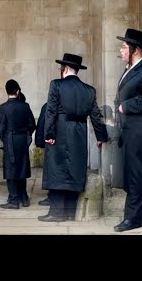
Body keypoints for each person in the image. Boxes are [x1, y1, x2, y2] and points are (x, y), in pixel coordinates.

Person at [39, 53, 108, 222]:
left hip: (60, 130)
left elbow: (51, 112)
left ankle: (56, 213)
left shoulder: (56, 85)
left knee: (57, 169)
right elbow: (96, 116)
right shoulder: (89, 90)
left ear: (66, 68)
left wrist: (48, 134)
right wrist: (101, 136)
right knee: (74, 169)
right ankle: (70, 212)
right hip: (79, 132)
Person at [112, 29, 142, 232]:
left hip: (141, 131)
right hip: (131, 129)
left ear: (134, 50)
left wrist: (126, 106)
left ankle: (133, 218)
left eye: (124, 47)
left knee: (137, 172)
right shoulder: (130, 69)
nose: (121, 49)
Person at [0, 79, 36, 209]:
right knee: (22, 167)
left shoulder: (3, 108)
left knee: (11, 168)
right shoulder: (25, 106)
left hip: (10, 140)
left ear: (7, 91)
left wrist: (6, 138)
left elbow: (0, 128)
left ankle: (13, 200)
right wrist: (26, 135)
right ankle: (23, 197)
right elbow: (32, 125)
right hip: (22, 139)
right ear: (18, 91)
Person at [34, 102, 51, 206]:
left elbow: (42, 124)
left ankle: (52, 195)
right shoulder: (71, 103)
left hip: (52, 143)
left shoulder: (48, 105)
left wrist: (39, 141)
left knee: (51, 170)